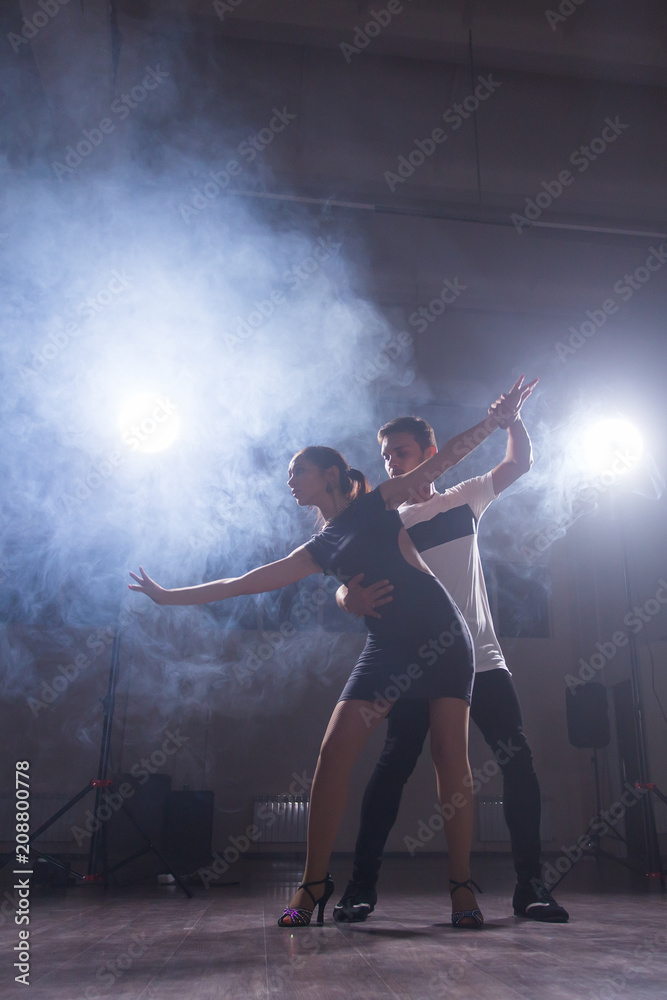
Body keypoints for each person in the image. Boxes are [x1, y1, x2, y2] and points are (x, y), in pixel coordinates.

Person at [128, 377, 534, 930]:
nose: (290, 480)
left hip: (443, 637)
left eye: (298, 470)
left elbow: (444, 461)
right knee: (334, 752)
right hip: (387, 648)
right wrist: (169, 595)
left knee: (449, 759)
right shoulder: (318, 547)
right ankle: (314, 883)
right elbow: (246, 582)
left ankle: (462, 888)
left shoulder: (377, 505)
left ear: (331, 475)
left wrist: (498, 419)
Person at [332, 386, 569, 924]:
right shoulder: (390, 521)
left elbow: (520, 462)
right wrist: (351, 600)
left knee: (518, 761)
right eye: (387, 455)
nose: (392, 462)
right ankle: (360, 889)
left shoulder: (464, 499)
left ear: (428, 454)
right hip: (418, 667)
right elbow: (341, 580)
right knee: (393, 769)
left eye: (403, 453)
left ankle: (530, 886)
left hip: (482, 659)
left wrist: (510, 422)